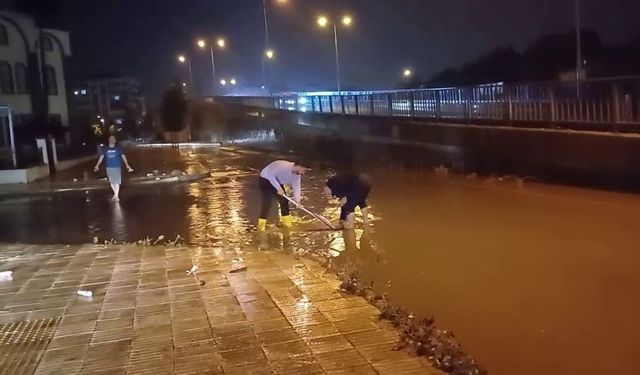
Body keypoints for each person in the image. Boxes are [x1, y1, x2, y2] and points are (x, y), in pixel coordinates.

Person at [258, 160, 308, 231]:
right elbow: (270, 176)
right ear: (298, 166)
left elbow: (296, 188)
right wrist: (278, 188)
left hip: (277, 181)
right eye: (303, 170)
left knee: (284, 201)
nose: (303, 173)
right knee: (267, 202)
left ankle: (287, 225)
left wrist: (298, 201)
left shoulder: (296, 176)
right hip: (266, 179)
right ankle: (261, 227)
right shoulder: (283, 167)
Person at [94, 135, 133, 202]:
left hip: (117, 166)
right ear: (109, 140)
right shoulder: (105, 149)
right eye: (110, 139)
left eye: (113, 139)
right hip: (109, 167)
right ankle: (115, 194)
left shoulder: (118, 149)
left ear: (115, 141)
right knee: (112, 182)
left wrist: (127, 165)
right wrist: (97, 165)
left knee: (117, 181)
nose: (112, 140)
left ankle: (116, 196)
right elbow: (101, 157)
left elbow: (123, 156)